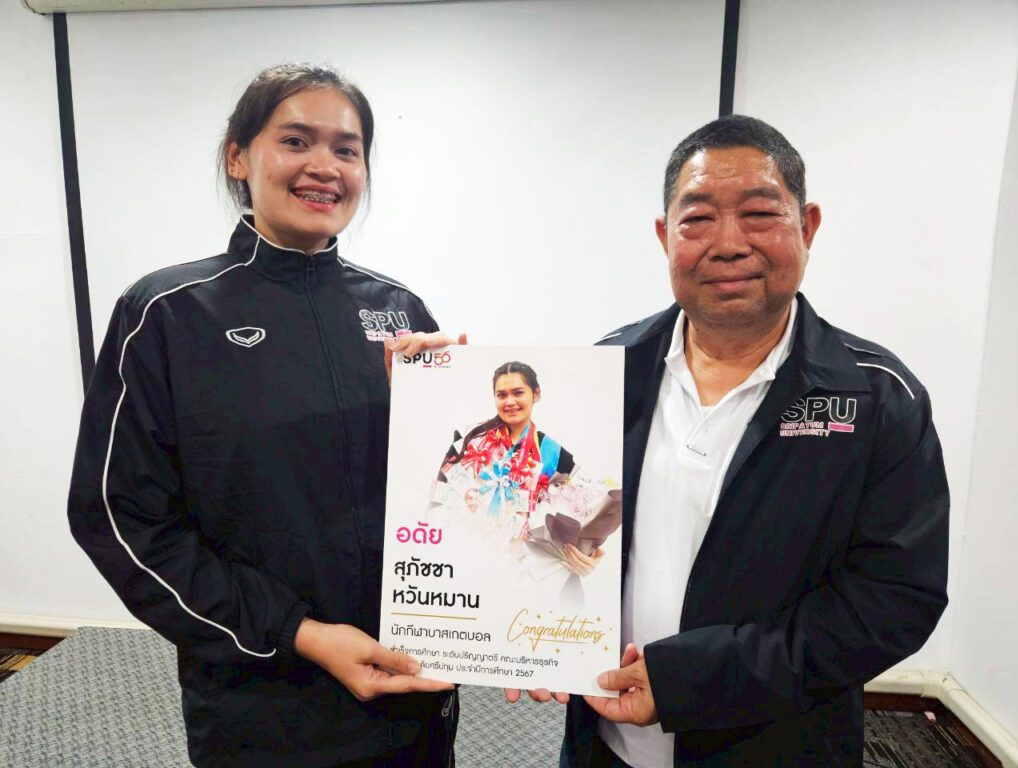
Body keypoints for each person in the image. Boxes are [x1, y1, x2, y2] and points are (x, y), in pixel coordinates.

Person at [68, 63, 463, 768]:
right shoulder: (166, 314)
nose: (325, 167)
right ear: (238, 157)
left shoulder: (400, 311)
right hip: (263, 708)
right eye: (295, 141)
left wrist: (455, 413)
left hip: (411, 690)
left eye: (346, 149)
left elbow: (454, 499)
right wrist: (299, 633)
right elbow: (118, 517)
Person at [556, 115, 949, 766]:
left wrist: (690, 681)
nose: (729, 244)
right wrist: (431, 381)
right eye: (697, 219)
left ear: (808, 227)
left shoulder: (876, 398)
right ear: (664, 236)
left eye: (760, 214)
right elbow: (558, 525)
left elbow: (894, 602)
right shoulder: (604, 370)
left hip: (776, 749)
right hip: (604, 744)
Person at [429, 361, 611, 581]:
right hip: (467, 560)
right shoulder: (470, 440)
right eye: (501, 395)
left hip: (521, 571)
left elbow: (585, 509)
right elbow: (437, 503)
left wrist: (588, 555)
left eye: (518, 393)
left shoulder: (553, 453)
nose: (509, 402)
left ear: (536, 394)